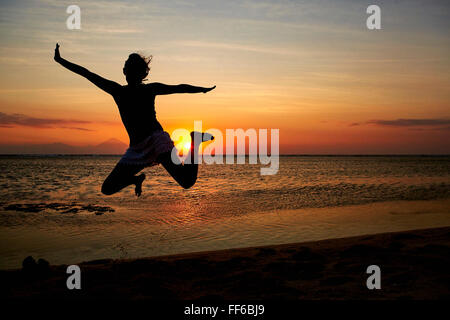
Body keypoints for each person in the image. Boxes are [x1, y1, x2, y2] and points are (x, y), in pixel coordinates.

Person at [54, 43, 215, 196]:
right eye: (127, 68)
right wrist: (61, 61)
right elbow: (87, 74)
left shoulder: (148, 89)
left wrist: (201, 90)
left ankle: (195, 141)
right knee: (107, 188)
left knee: (186, 181)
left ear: (142, 73)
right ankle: (136, 180)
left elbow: (178, 88)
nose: (129, 72)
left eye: (133, 69)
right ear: (124, 71)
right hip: (137, 148)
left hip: (156, 141)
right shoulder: (117, 91)